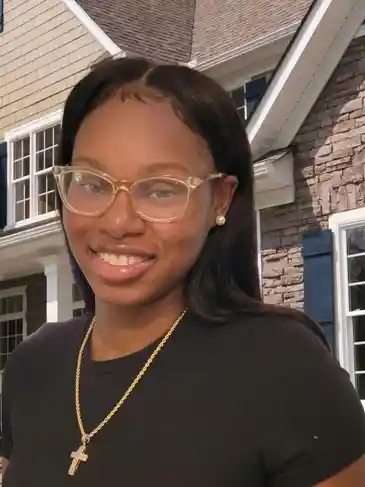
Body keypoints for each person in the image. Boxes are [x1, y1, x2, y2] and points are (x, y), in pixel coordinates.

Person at [1, 57, 365, 487]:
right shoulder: (33, 366)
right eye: (93, 183)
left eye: (161, 190)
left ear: (220, 200)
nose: (118, 223)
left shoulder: (282, 368)